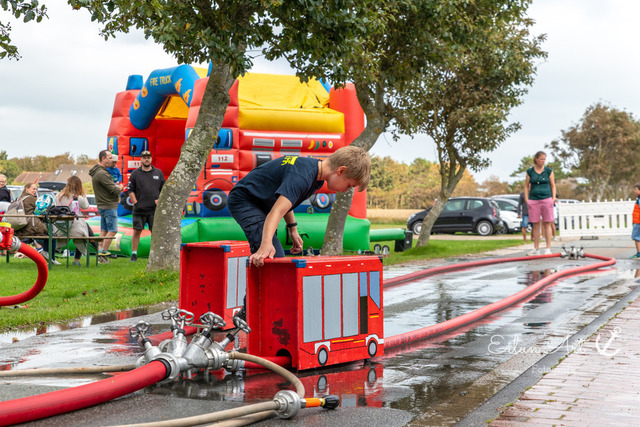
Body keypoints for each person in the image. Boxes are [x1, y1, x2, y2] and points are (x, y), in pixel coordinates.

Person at [228, 145, 371, 268]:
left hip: (262, 204)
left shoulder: (316, 176)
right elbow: (277, 210)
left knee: (271, 255)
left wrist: (292, 228)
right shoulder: (302, 177)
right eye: (349, 185)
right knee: (272, 256)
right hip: (244, 201)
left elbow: (284, 201)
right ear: (341, 171)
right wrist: (265, 245)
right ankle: (256, 293)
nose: (345, 190)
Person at [127, 150, 165, 262]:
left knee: (155, 233)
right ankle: (134, 254)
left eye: (148, 157)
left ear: (151, 159)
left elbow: (164, 190)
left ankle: (155, 254)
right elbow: (130, 190)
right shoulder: (135, 174)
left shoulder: (158, 173)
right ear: (141, 159)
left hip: (154, 210)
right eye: (144, 157)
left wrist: (160, 200)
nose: (146, 159)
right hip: (139, 209)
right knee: (137, 231)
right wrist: (136, 202)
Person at [90, 150, 124, 262]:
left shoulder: (98, 172)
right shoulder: (102, 174)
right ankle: (103, 253)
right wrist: (121, 187)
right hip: (108, 205)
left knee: (104, 231)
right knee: (113, 230)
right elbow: (114, 190)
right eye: (109, 158)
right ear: (103, 158)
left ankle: (100, 256)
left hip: (102, 205)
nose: (112, 160)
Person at [55, 176, 97, 266]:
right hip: (75, 228)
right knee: (83, 233)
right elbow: (85, 206)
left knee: (84, 230)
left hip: (60, 229)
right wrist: (82, 195)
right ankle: (77, 260)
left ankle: (99, 249)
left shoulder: (59, 195)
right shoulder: (79, 196)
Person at [14, 183, 60, 265]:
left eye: (36, 189)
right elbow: (42, 210)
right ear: (27, 189)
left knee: (47, 235)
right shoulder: (32, 199)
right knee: (51, 236)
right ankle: (51, 258)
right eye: (33, 189)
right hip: (31, 228)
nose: (35, 191)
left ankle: (46, 255)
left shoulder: (20, 198)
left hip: (21, 228)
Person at [524, 151, 556, 256]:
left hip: (546, 199)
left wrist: (553, 198)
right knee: (536, 224)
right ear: (536, 159)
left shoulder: (548, 171)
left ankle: (548, 248)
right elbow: (526, 186)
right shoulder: (530, 172)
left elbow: (553, 185)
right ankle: (536, 249)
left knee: (547, 223)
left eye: (544, 159)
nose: (543, 161)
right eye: (541, 159)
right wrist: (527, 200)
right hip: (533, 200)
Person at [630, 183, 640, 259]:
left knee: (637, 237)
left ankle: (639, 253)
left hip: (638, 222)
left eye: (635, 189)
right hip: (637, 221)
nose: (634, 191)